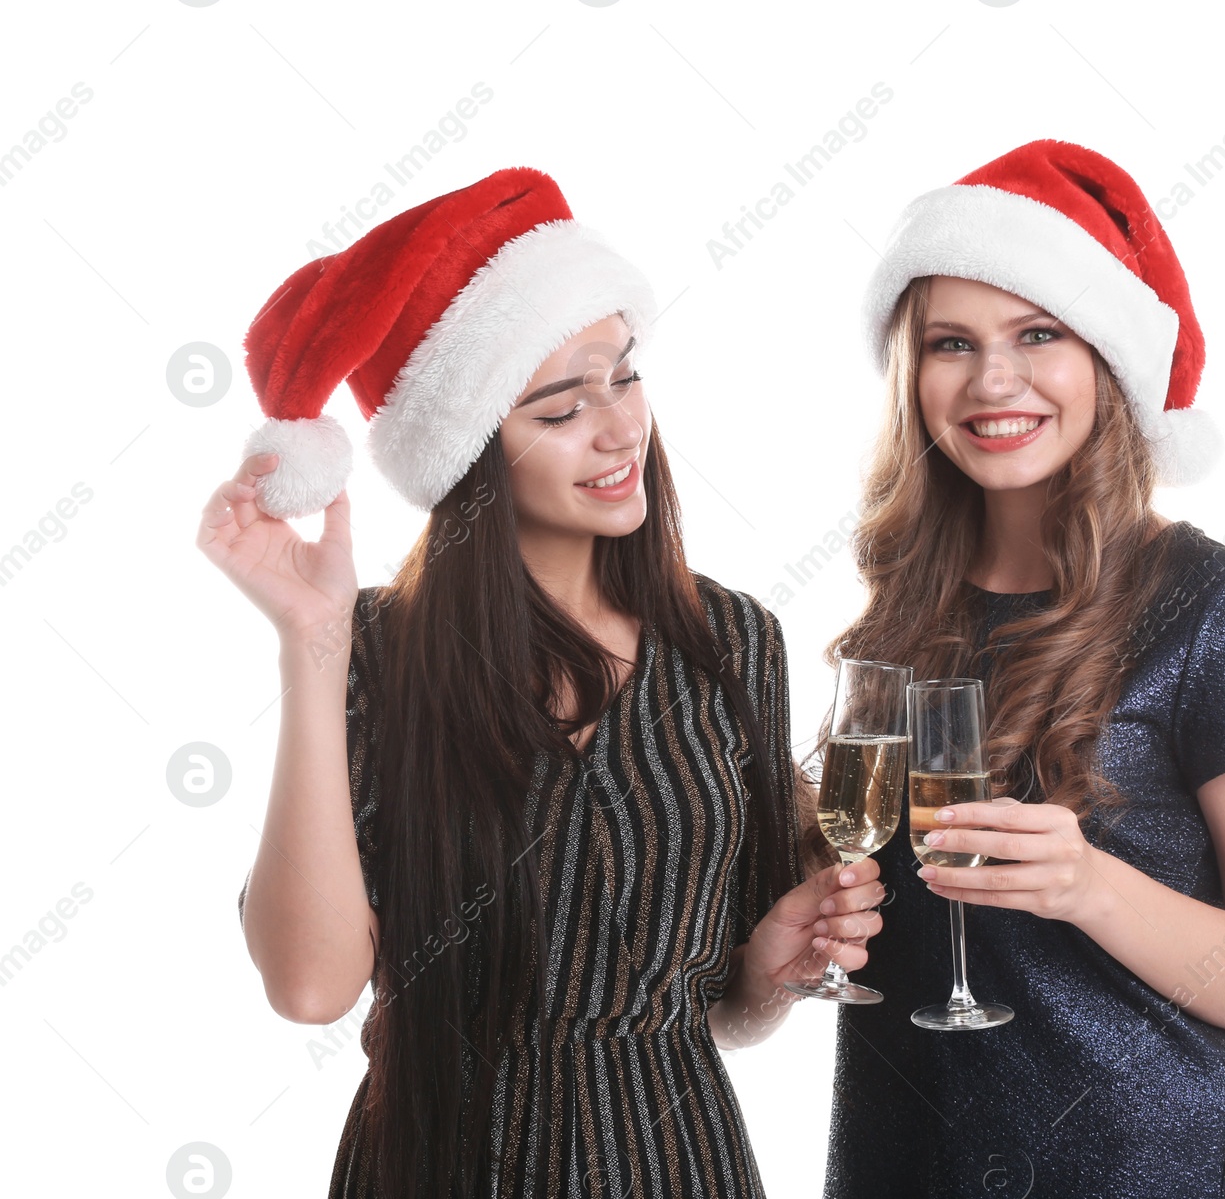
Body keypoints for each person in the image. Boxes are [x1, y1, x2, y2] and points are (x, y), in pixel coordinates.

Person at [198, 167, 885, 1198]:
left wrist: (769, 970)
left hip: (674, 1161)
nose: (618, 430)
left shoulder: (733, 641)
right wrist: (311, 642)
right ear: (471, 451)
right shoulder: (377, 650)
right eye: (561, 408)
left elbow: (727, 1009)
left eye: (625, 375)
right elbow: (309, 986)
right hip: (436, 1163)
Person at [817, 140, 1225, 1198]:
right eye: (951, 343)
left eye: (1037, 333)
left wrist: (1089, 886)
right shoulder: (903, 609)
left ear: (1107, 356)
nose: (993, 379)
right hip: (896, 1168)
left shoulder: (1213, 609)